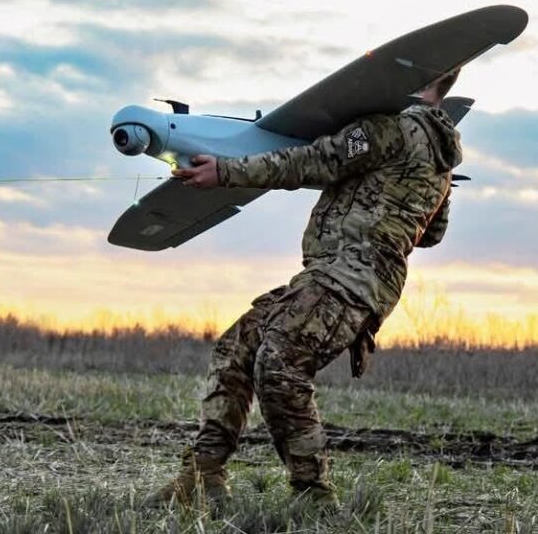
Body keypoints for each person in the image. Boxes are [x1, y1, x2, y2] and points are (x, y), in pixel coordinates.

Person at [144, 70, 463, 507]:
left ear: (428, 74)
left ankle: (314, 496)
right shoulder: (443, 160)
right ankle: (201, 477)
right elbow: (433, 233)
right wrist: (396, 197)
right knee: (237, 347)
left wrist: (226, 171)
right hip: (342, 280)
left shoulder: (389, 128)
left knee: (279, 363)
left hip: (348, 279)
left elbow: (313, 160)